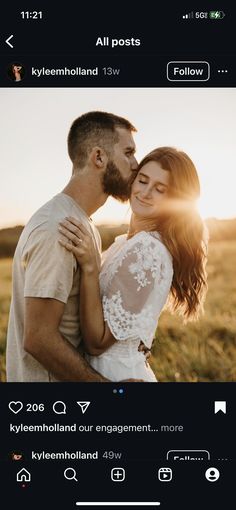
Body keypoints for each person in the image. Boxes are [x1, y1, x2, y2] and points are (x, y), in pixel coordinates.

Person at [6, 111, 140, 382]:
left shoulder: (83, 222)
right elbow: (39, 338)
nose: (136, 164)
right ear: (99, 157)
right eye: (128, 152)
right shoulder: (56, 228)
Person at [59, 147, 208, 382]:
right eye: (143, 180)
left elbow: (97, 342)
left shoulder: (147, 250)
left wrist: (90, 266)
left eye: (160, 190)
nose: (145, 193)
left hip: (114, 374)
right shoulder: (126, 243)